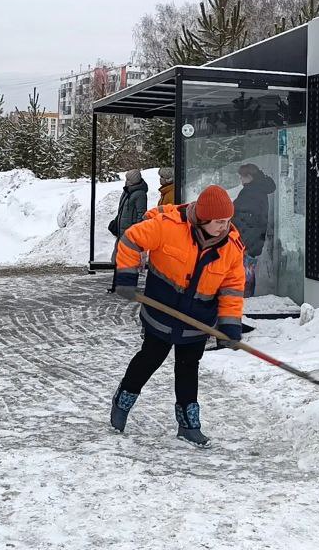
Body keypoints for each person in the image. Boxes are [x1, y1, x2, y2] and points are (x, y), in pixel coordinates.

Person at [109, 185, 246, 447]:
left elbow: (232, 289)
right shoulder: (168, 227)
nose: (225, 227)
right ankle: (122, 402)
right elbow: (130, 239)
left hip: (198, 320)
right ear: (203, 218)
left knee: (188, 367)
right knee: (150, 358)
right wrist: (126, 278)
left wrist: (229, 326)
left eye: (228, 220)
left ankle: (188, 426)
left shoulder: (232, 246)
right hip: (161, 311)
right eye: (219, 221)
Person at [233, 163, 276, 297]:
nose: (241, 179)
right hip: (253, 241)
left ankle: (245, 299)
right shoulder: (258, 191)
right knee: (248, 272)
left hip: (246, 242)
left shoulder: (251, 193)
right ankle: (246, 297)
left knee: (242, 276)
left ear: (250, 176)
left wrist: (242, 243)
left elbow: (246, 220)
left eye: (242, 176)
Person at [109, 170, 149, 290]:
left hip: (130, 232)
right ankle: (116, 284)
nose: (126, 181)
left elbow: (141, 214)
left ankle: (126, 285)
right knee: (119, 258)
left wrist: (136, 232)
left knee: (128, 259)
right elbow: (121, 211)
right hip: (122, 231)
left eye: (128, 179)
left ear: (133, 181)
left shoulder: (140, 194)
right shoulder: (127, 192)